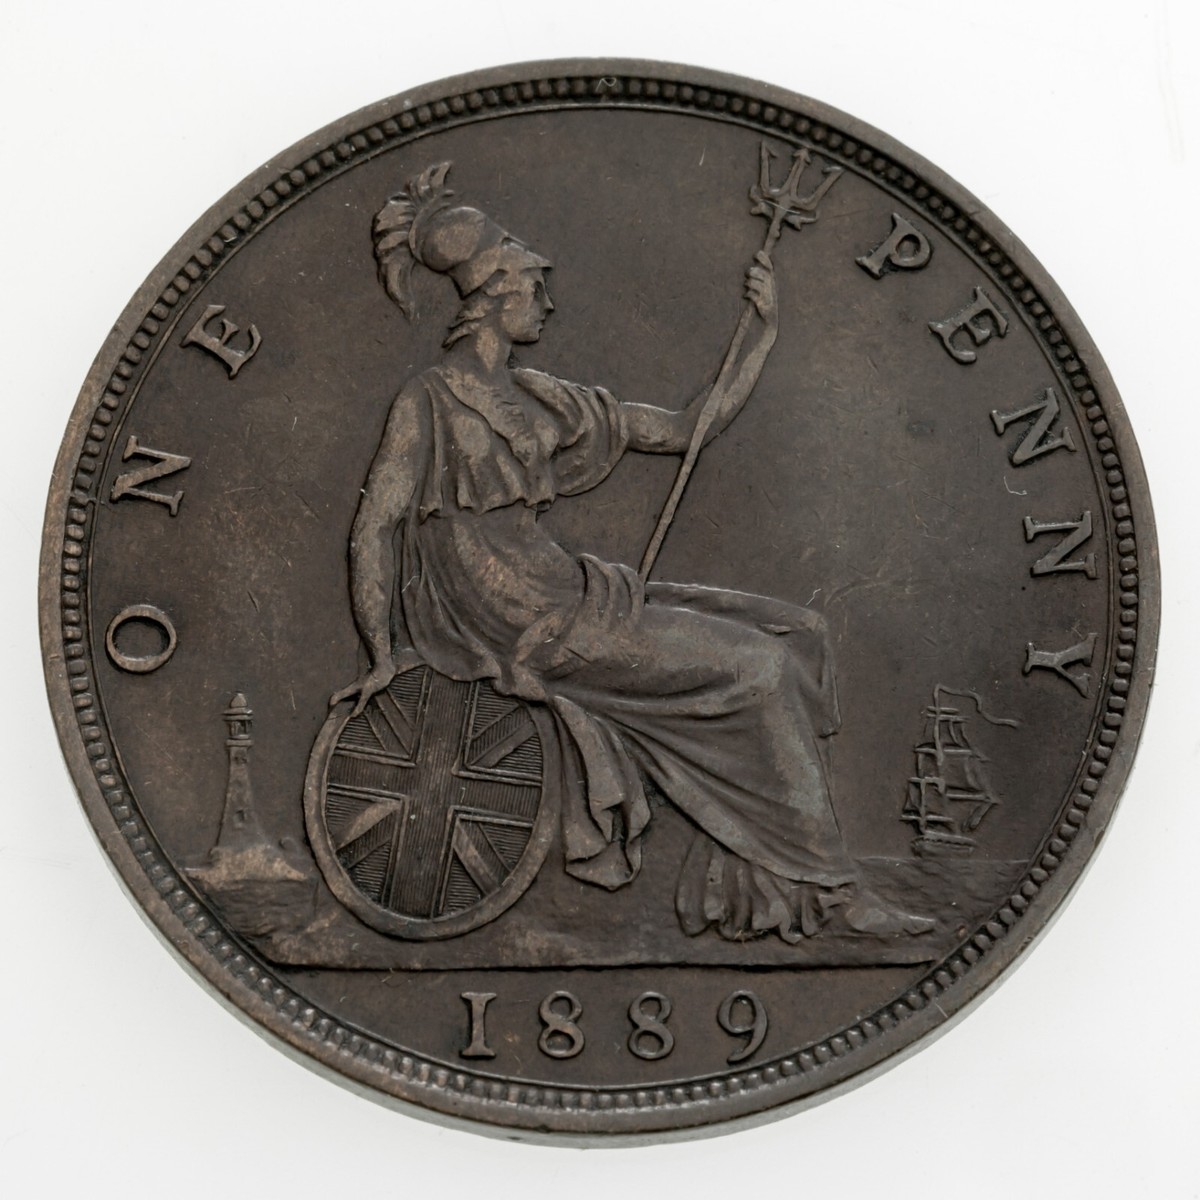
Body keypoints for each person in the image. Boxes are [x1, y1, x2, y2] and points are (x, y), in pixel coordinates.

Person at [331, 162, 931, 942]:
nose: (549, 301)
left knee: (792, 634)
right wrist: (380, 655)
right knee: (761, 667)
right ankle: (831, 890)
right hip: (526, 624)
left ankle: (761, 883)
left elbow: (684, 430)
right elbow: (375, 525)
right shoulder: (428, 400)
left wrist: (760, 335)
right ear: (496, 295)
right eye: (535, 285)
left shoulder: (542, 396)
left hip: (573, 594)